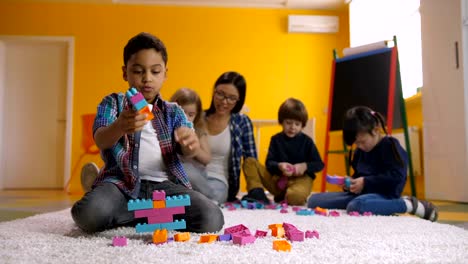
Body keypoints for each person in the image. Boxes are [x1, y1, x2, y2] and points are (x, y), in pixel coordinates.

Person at [71, 32, 224, 233]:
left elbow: (186, 149)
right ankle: (154, 215)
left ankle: (132, 215)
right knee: (89, 215)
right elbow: (101, 139)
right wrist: (120, 126)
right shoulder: (113, 103)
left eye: (155, 71)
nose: (147, 79)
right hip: (121, 185)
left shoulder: (174, 111)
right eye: (138, 71)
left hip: (165, 187)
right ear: (125, 72)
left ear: (165, 74)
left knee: (212, 218)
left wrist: (190, 145)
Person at [307, 106, 438, 221]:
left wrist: (365, 182)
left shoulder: (390, 146)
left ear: (376, 130)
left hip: (385, 195)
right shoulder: (360, 151)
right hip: (362, 195)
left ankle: (408, 204)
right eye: (356, 143)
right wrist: (351, 182)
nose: (360, 146)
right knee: (314, 201)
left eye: (362, 142)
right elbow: (359, 174)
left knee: (357, 206)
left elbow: (397, 177)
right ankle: (376, 206)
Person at [242, 98, 324, 205]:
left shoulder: (307, 142)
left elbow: (319, 164)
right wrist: (279, 166)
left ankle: (286, 196)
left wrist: (304, 166)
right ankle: (257, 192)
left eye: (297, 124)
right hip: (278, 181)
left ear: (302, 125)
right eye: (288, 123)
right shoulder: (276, 139)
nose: (292, 127)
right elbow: (269, 163)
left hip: (300, 180)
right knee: (249, 161)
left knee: (295, 197)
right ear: (281, 122)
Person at [204, 71, 257, 203]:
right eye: (220, 94)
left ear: (239, 100)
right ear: (214, 92)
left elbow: (251, 161)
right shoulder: (199, 117)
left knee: (209, 200)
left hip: (220, 180)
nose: (224, 102)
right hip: (193, 177)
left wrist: (256, 190)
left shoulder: (242, 122)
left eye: (232, 98)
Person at [169, 88, 225, 204]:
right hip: (175, 178)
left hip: (198, 177)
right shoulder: (166, 130)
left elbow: (207, 159)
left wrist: (194, 147)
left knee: (188, 171)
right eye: (181, 113)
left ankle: (208, 199)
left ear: (197, 115)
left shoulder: (198, 130)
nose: (186, 118)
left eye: (191, 114)